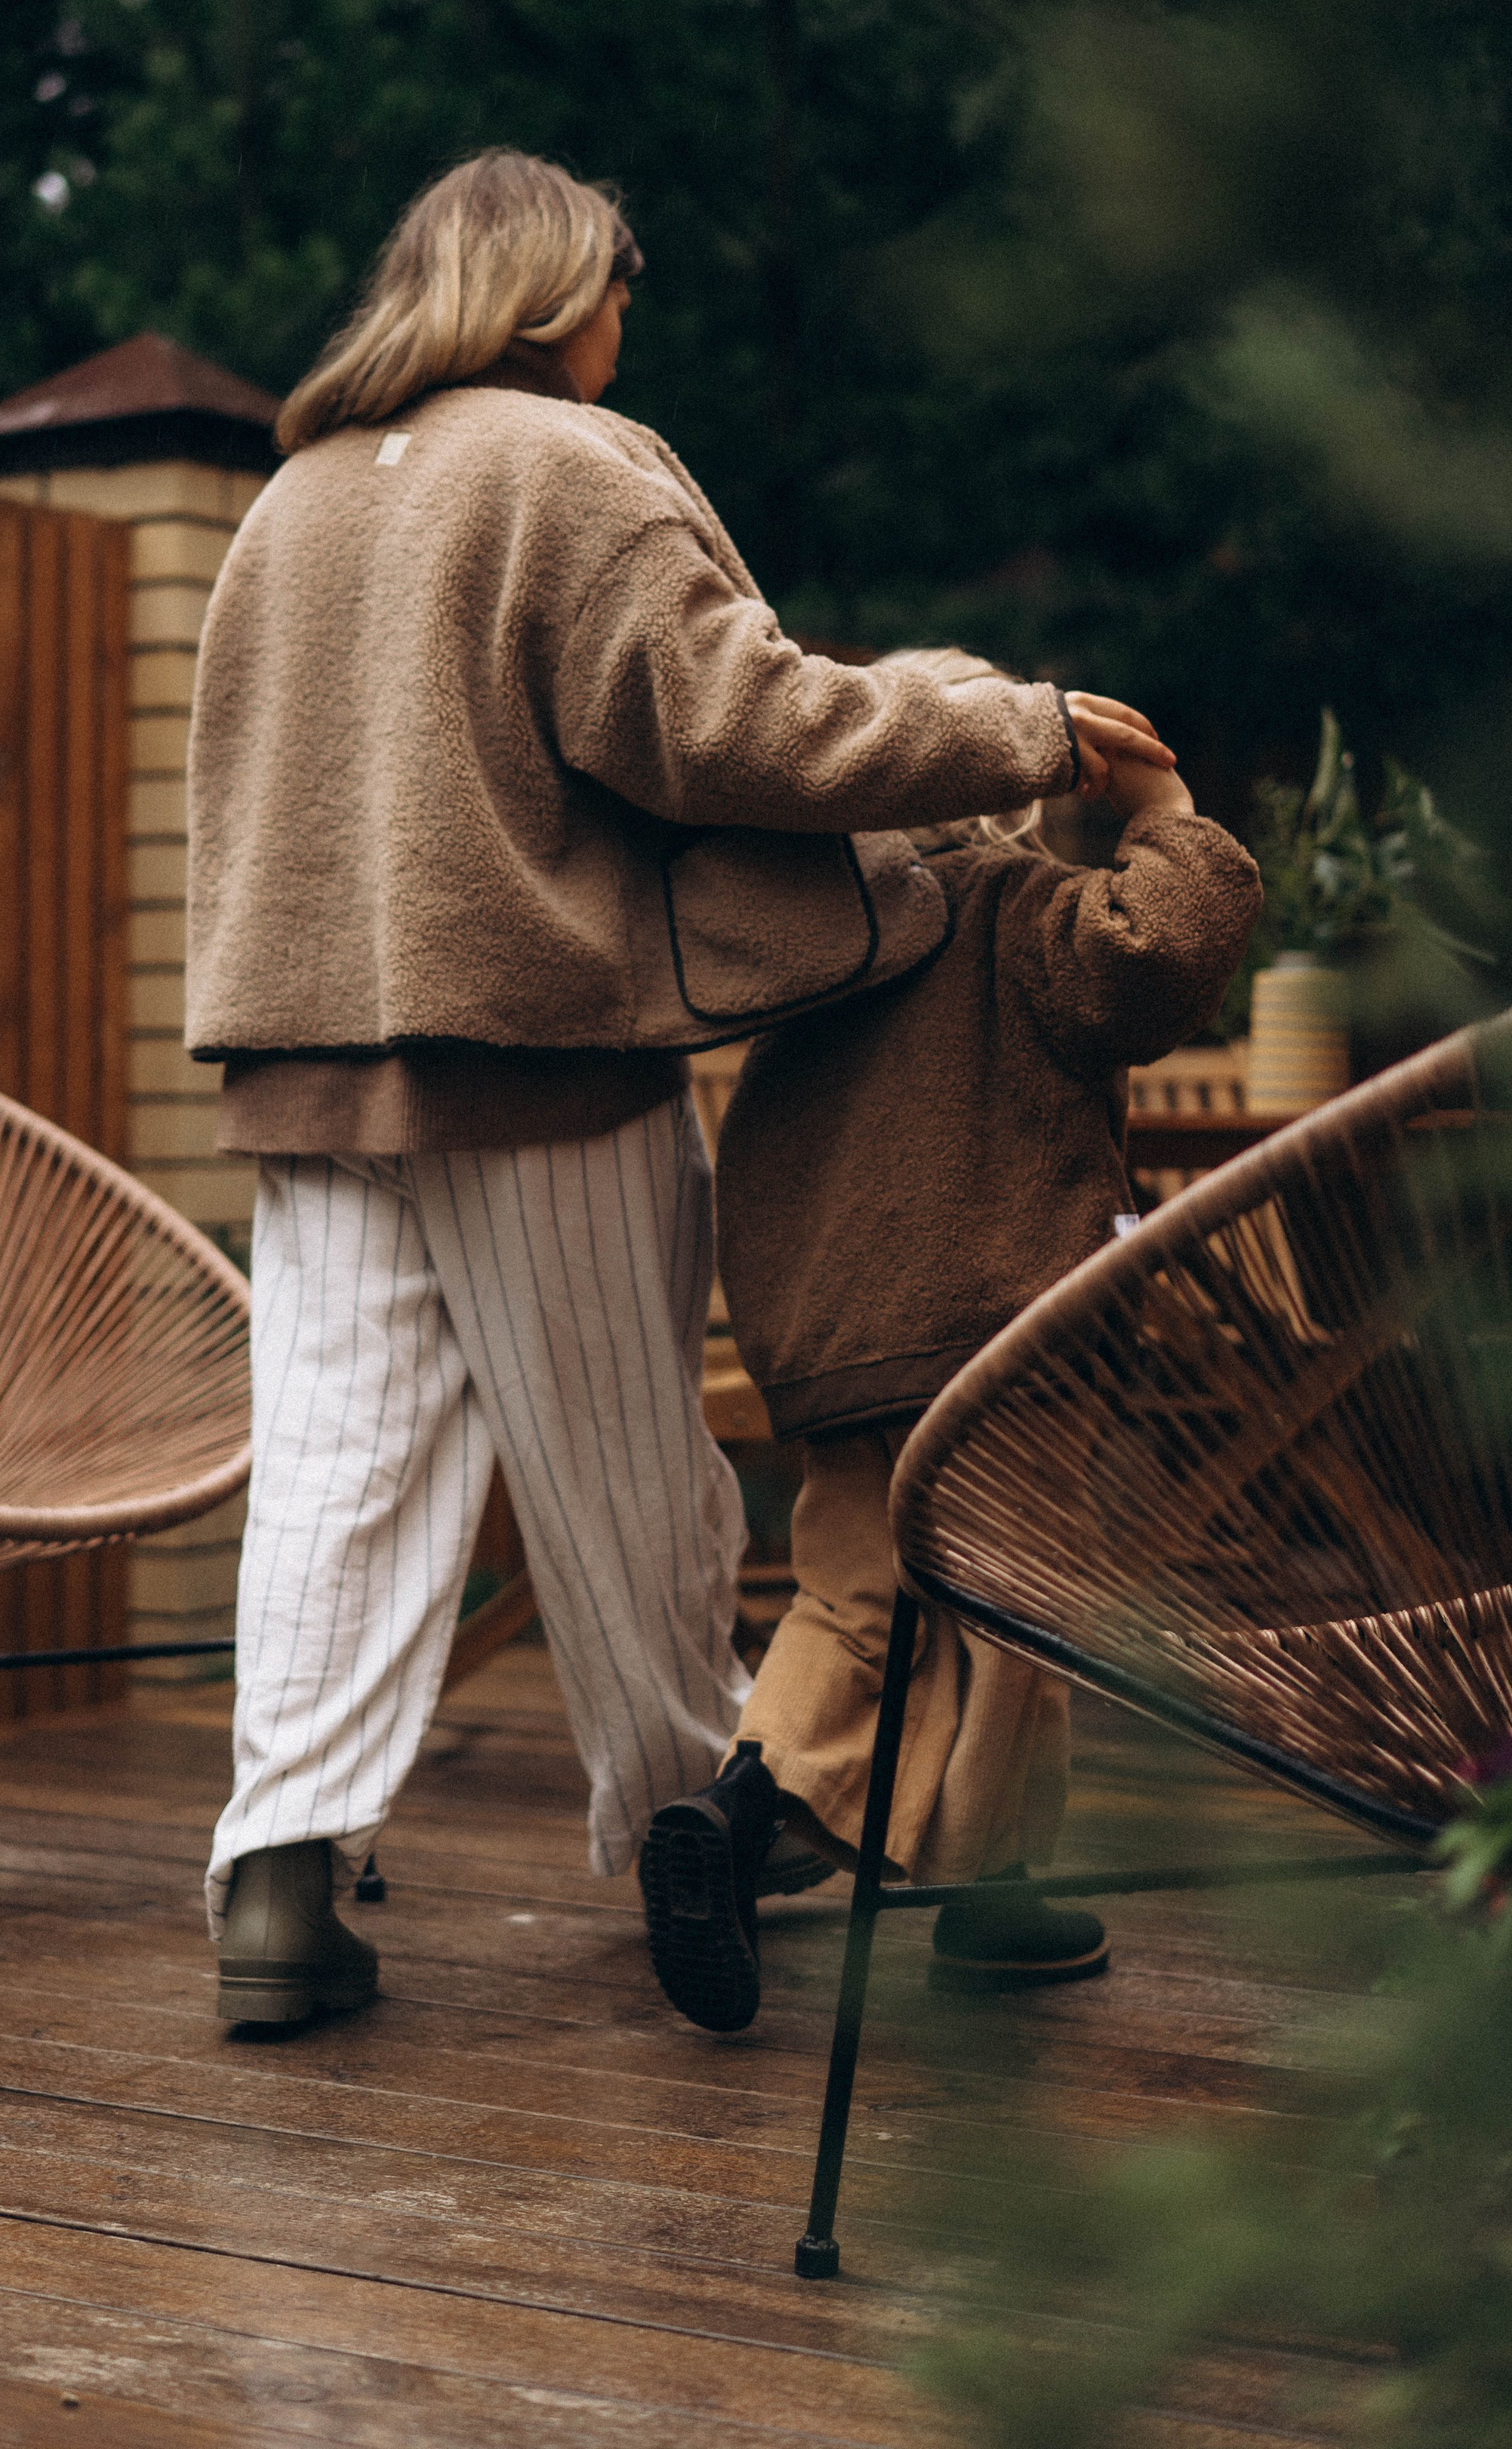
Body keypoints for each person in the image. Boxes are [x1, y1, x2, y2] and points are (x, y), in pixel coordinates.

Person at [183, 148, 1175, 2030]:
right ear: (566, 297)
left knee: (332, 1473)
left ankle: (278, 1892)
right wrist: (1008, 726)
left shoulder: (287, 505)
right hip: (531, 1059)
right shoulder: (569, 464)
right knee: (631, 1482)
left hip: (303, 1072)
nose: (625, 333)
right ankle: (691, 1835)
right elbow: (741, 722)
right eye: (621, 298)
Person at [639, 741, 1261, 2032]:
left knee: (850, 1598)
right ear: (1013, 806)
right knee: (1016, 1612)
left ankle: (736, 1817)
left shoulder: (824, 945)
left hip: (839, 1346)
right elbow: (1155, 958)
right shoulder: (1013, 908)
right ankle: (984, 1903)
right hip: (998, 1341)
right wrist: (1168, 816)